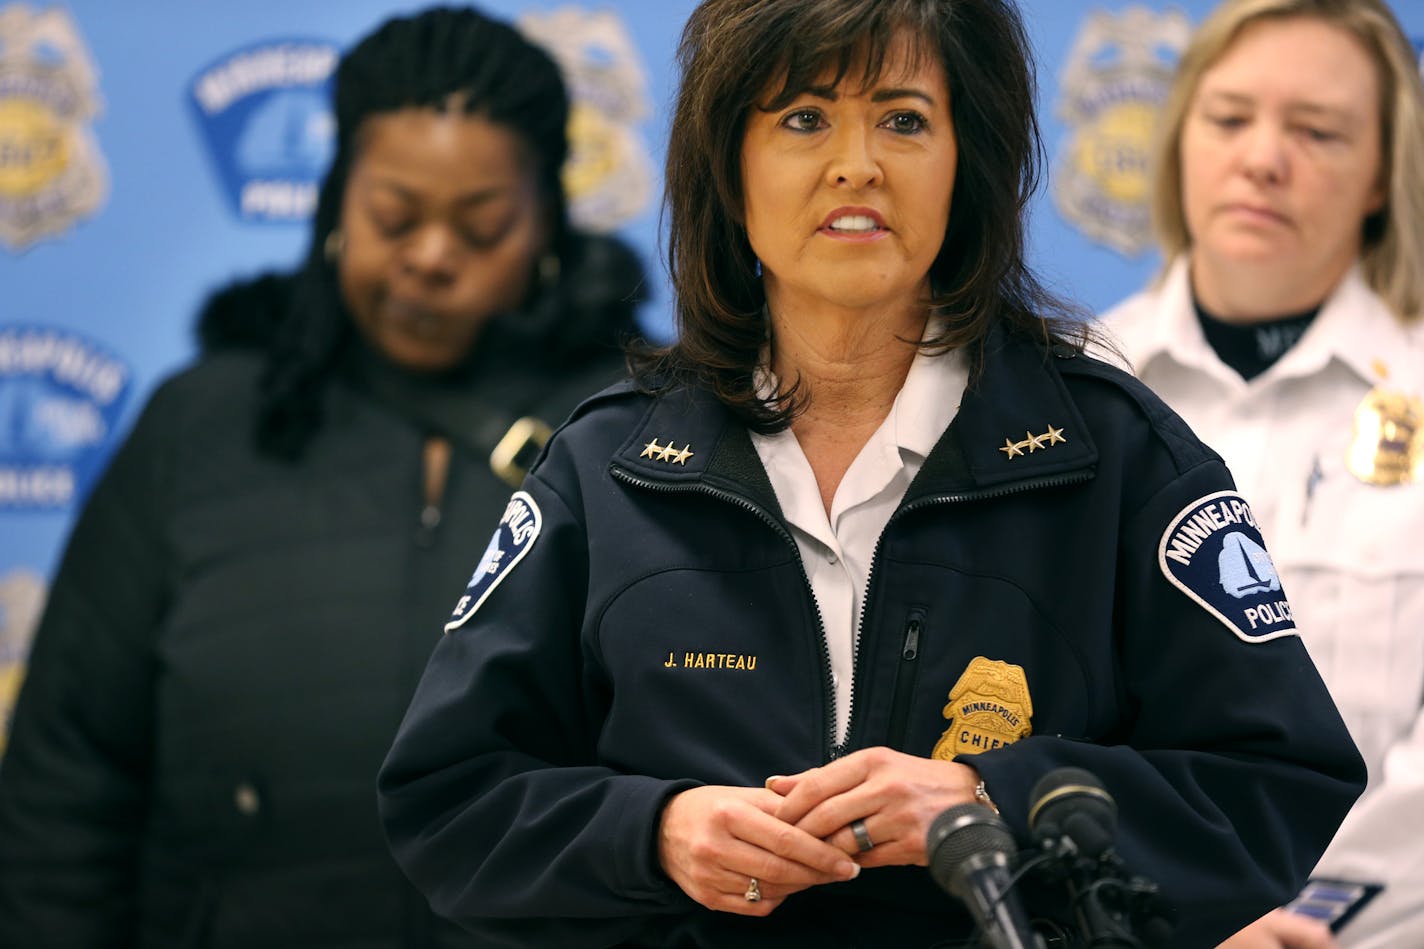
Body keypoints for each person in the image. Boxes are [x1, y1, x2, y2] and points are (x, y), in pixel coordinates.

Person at [377, 0, 1364, 946]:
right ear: (730, 166)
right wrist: (654, 832)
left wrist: (992, 805)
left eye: (901, 119)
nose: (855, 166)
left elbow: (1274, 782)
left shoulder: (1112, 455)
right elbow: (450, 799)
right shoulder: (607, 468)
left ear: (962, 162)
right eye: (803, 118)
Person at [0, 6, 645, 947]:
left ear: (546, 221)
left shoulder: (643, 434)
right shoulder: (203, 426)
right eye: (394, 214)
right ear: (335, 200)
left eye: (480, 225)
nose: (430, 255)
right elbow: (69, 786)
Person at [1098, 0, 1424, 946]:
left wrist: (1294, 921)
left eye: (1317, 131)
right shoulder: (1061, 390)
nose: (1263, 157)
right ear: (1180, 141)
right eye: (1230, 118)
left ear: (1380, 175)